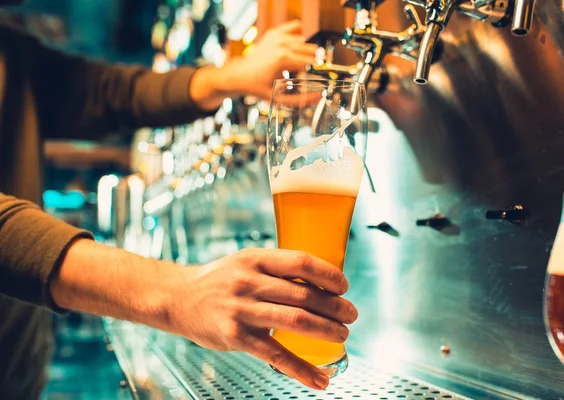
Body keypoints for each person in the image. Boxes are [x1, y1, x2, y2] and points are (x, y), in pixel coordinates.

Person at [0, 8, 359, 399]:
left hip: (21, 363)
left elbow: (102, 92)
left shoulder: (10, 48)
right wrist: (176, 294)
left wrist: (230, 77)